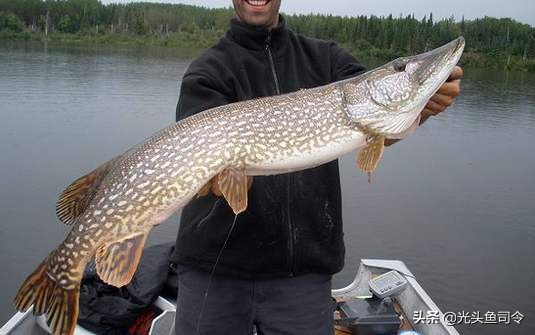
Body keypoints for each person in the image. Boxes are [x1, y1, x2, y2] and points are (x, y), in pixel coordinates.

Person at [172, 1, 463, 334]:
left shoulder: (327, 58)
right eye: (402, 68)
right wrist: (220, 178)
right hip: (215, 273)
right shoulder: (207, 71)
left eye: (399, 68)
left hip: (302, 279)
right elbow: (202, 172)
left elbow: (378, 124)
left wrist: (421, 110)